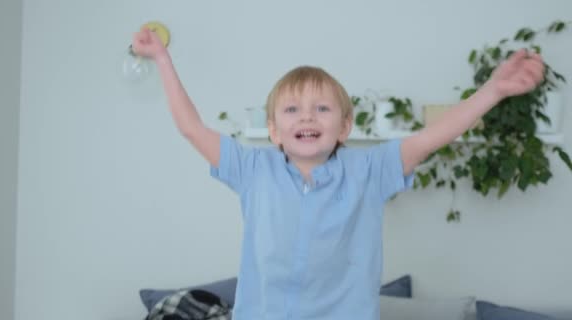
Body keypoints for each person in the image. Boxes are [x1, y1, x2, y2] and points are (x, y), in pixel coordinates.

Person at [132, 27, 544, 320]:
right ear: (273, 130)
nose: (307, 116)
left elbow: (432, 137)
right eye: (292, 110)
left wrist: (494, 90)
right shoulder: (252, 168)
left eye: (322, 109)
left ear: (344, 127)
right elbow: (191, 127)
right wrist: (163, 59)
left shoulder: (370, 170)